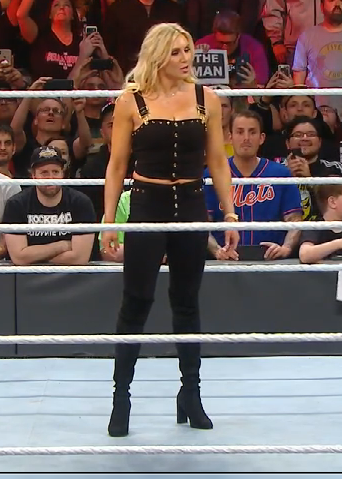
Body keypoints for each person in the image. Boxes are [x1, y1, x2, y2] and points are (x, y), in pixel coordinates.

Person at [101, 23, 240, 438]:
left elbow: (218, 160)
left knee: (187, 301)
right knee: (136, 300)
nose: (186, 59)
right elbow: (117, 165)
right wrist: (108, 220)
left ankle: (191, 393)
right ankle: (121, 397)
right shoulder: (130, 101)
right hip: (147, 204)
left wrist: (230, 214)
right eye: (177, 51)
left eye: (188, 50)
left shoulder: (206, 98)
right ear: (158, 55)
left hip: (192, 204)